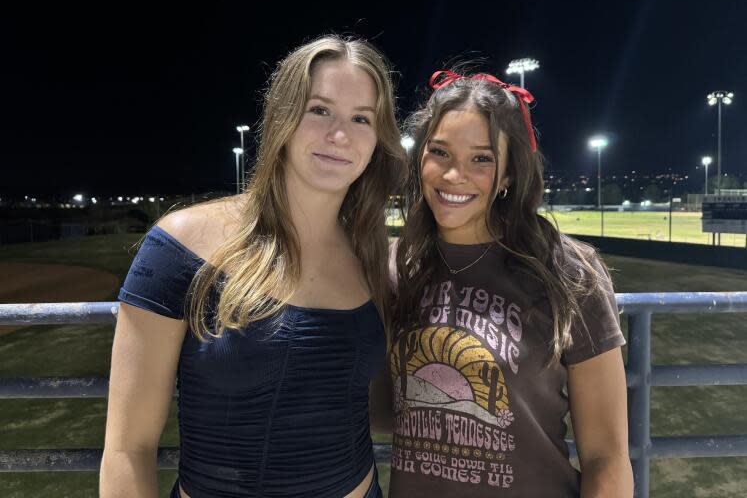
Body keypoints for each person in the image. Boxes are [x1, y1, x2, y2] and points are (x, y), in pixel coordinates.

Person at [100, 35, 405, 498]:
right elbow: (128, 448)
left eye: (361, 118)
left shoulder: (370, 259)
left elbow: (374, 407)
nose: (339, 135)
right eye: (319, 109)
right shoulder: (182, 244)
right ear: (282, 117)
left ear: (376, 139)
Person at [386, 70, 633, 497]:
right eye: (439, 152)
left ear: (509, 175)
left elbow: (605, 457)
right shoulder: (395, 266)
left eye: (481, 159)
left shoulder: (569, 273)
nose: (453, 176)